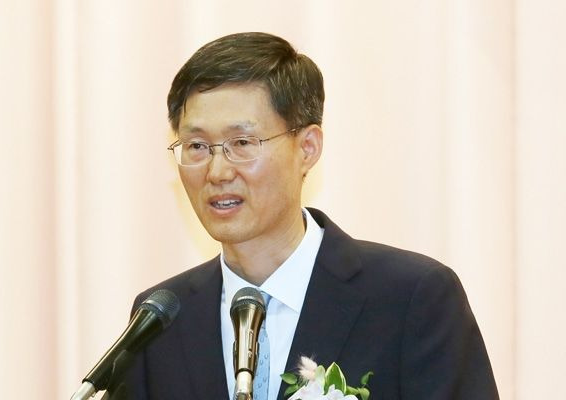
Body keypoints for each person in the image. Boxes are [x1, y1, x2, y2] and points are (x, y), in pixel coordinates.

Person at [121, 32, 499, 400]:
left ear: (307, 147)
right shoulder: (160, 318)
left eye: (242, 143)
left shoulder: (411, 298)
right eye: (197, 146)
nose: (217, 172)